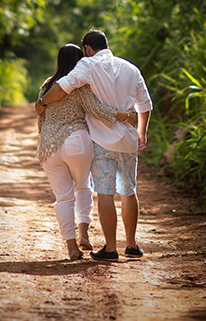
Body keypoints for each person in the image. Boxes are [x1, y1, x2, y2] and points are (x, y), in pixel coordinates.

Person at [37, 29, 152, 261]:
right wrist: (141, 132)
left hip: (100, 141)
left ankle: (110, 249)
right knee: (129, 191)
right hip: (127, 140)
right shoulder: (131, 68)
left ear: (87, 48)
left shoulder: (86, 67)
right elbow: (145, 104)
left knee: (105, 193)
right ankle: (131, 245)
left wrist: (41, 102)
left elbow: (61, 88)